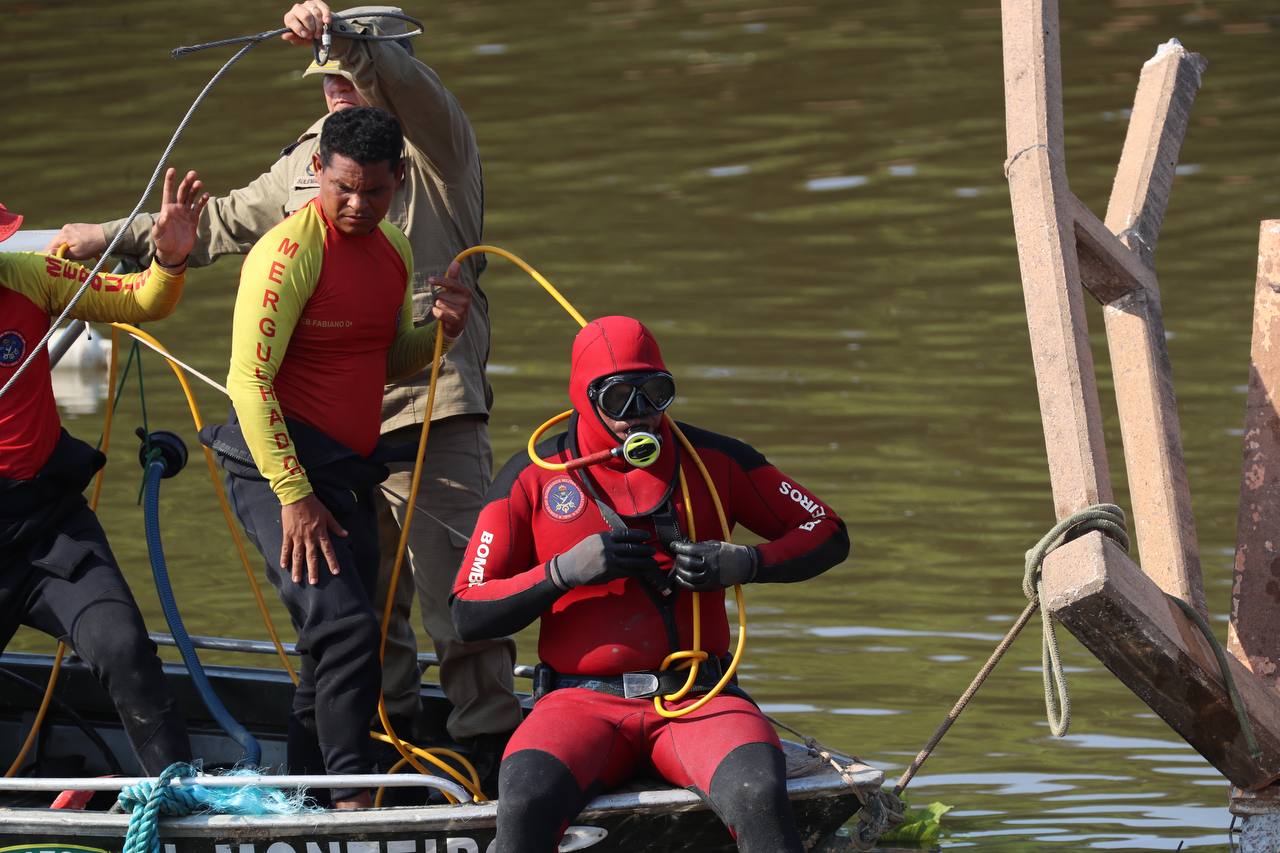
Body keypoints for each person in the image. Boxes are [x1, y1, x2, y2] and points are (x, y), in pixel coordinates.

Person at [45, 1, 521, 772]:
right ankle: (390, 755)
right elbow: (223, 222)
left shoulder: (436, 147)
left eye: (350, 73)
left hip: (435, 410)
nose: (336, 89)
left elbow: (401, 84)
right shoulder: (310, 163)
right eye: (326, 77)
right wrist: (110, 236)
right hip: (332, 430)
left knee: (461, 599)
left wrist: (345, 40)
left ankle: (497, 756)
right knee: (364, 618)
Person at [451, 315, 851, 852]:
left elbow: (826, 530)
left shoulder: (714, 460)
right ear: (583, 395)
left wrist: (748, 563)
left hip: (699, 698)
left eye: (655, 393)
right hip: (578, 704)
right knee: (523, 804)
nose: (637, 414)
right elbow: (468, 609)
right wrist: (560, 574)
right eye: (617, 398)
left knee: (759, 792)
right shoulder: (533, 475)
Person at [207, 105, 470, 809]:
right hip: (274, 464)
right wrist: (294, 496)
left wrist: (439, 331)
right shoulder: (287, 254)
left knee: (327, 645)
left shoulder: (394, 252)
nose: (356, 205)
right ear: (317, 170)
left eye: (374, 191)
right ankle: (351, 794)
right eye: (342, 187)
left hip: (343, 471)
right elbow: (248, 381)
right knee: (351, 626)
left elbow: (381, 361)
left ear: (400, 182)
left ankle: (302, 799)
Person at [0, 169, 208, 774]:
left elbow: (143, 301)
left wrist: (169, 260)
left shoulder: (29, 276)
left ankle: (176, 807)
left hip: (47, 530)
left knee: (125, 651)